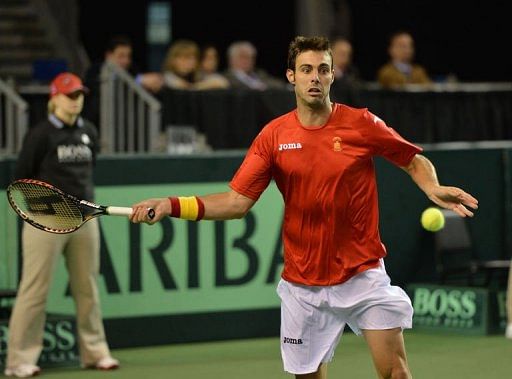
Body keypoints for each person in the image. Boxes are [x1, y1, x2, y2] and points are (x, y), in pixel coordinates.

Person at [129, 36, 479, 378]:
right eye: (306, 69)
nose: (315, 77)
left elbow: (411, 159)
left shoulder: (361, 123)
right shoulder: (273, 136)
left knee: (395, 372)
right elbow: (236, 202)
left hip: (362, 273)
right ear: (291, 76)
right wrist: (171, 205)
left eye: (323, 69)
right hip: (303, 284)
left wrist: (432, 186)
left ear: (332, 75)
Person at [4, 72, 119, 378]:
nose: (75, 101)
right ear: (54, 99)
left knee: (88, 287)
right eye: (69, 96)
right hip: (46, 221)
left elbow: (89, 168)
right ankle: (19, 360)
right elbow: (22, 177)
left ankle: (95, 352)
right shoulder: (40, 135)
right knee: (34, 290)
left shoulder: (89, 133)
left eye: (79, 95)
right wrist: (45, 209)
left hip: (85, 218)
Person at [83, 35, 164, 126]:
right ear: (108, 56)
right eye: (121, 56)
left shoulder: (132, 71)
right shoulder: (95, 71)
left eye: (128, 56)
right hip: (99, 126)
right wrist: (138, 81)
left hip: (125, 128)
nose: (126, 61)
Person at [162, 39, 229, 90]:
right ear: (173, 60)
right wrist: (201, 86)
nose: (191, 62)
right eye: (186, 58)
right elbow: (183, 88)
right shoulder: (167, 78)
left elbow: (222, 82)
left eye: (193, 58)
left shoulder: (198, 76)